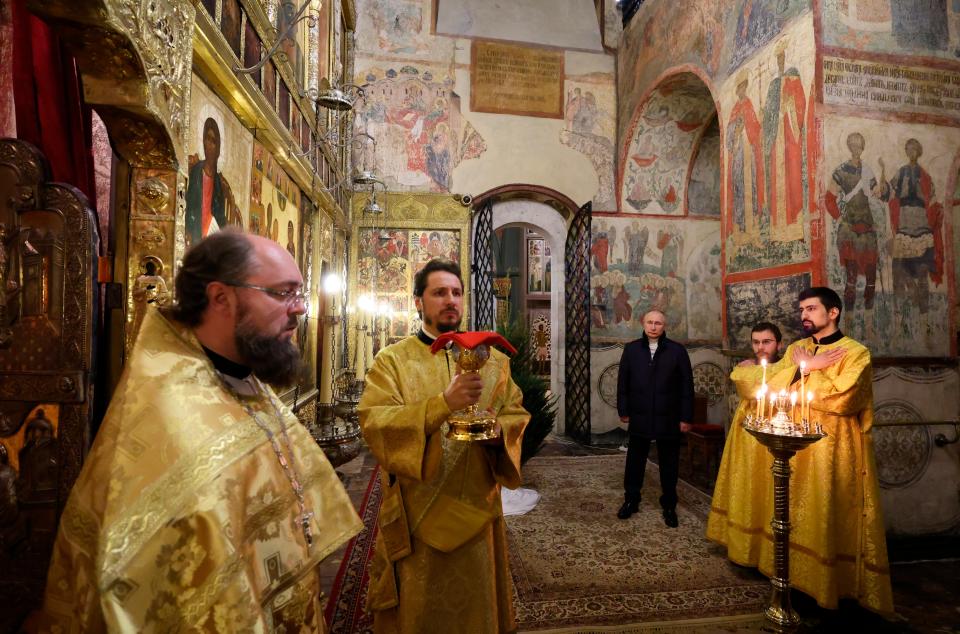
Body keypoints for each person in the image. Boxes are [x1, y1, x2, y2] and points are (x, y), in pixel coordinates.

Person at [31, 230, 362, 632]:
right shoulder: (174, 415)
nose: (300, 309)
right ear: (221, 297)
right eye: (283, 294)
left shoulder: (244, 381)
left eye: (299, 294)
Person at [358, 258, 529, 633]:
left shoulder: (494, 361)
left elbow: (515, 413)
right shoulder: (393, 362)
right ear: (418, 301)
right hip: (420, 511)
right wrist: (442, 405)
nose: (450, 300)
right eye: (439, 293)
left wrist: (500, 432)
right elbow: (375, 422)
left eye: (456, 292)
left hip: (477, 508)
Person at [756, 287, 893, 615]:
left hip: (834, 448)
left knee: (827, 510)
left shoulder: (856, 352)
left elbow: (843, 398)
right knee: (795, 510)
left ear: (833, 313)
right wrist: (806, 366)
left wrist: (807, 371)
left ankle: (832, 588)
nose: (804, 314)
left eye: (812, 308)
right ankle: (794, 581)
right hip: (794, 446)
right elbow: (772, 386)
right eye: (802, 308)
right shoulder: (797, 349)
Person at [705, 321, 783, 564]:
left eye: (767, 342)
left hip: (775, 432)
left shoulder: (787, 367)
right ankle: (744, 544)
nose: (760, 347)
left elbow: (775, 381)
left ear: (779, 344)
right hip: (747, 435)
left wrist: (758, 374)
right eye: (756, 342)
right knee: (748, 483)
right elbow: (744, 381)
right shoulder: (745, 367)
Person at [616, 309, 693, 527]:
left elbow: (687, 387)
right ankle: (631, 500)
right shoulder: (631, 350)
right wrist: (624, 409)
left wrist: (685, 417)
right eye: (649, 322)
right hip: (639, 415)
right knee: (634, 461)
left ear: (664, 326)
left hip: (668, 416)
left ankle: (669, 504)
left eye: (658, 323)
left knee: (669, 463)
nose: (653, 326)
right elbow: (623, 383)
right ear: (642, 323)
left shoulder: (677, 351)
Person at [824, 132, 887, 336]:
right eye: (853, 145)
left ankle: (868, 326)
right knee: (850, 278)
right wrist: (841, 220)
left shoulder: (867, 170)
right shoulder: (841, 171)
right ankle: (849, 325)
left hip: (867, 229)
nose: (856, 148)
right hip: (850, 231)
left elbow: (877, 193)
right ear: (849, 146)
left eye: (859, 145)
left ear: (863, 147)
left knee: (870, 278)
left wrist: (883, 182)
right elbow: (829, 199)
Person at [186, 117, 232, 248]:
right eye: (207, 138)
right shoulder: (196, 171)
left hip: (212, 235)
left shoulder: (217, 181)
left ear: (218, 148)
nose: (209, 144)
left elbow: (220, 215)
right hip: (196, 230)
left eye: (213, 141)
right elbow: (190, 206)